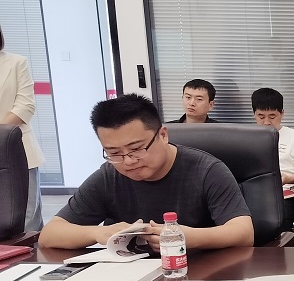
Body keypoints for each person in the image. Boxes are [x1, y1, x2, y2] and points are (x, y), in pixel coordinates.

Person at [39, 94, 253, 250]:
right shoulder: (109, 176)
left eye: (137, 149)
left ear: (163, 135)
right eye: (114, 153)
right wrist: (98, 232)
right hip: (129, 278)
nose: (128, 161)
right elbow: (49, 235)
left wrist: (187, 237)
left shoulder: (207, 170)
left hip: (197, 272)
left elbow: (243, 232)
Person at [251, 87, 294, 231]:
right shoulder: (246, 138)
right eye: (261, 116)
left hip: (285, 196)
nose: (266, 122)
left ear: (282, 113)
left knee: (277, 219)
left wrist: (287, 179)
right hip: (253, 195)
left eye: (272, 116)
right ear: (254, 114)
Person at [0, 25, 45, 233]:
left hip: (17, 148)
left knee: (26, 217)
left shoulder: (16, 62)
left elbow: (25, 106)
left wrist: (2, 137)